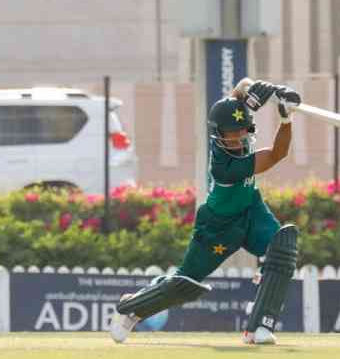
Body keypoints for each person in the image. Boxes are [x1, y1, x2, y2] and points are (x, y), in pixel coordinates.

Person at [110, 80, 302, 345]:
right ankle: (132, 308)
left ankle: (259, 328)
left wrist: (282, 113)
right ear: (218, 134)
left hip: (251, 211)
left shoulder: (240, 139)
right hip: (217, 227)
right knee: (185, 284)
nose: (236, 138)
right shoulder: (223, 166)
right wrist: (266, 108)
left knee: (282, 247)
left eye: (241, 131)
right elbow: (275, 155)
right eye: (230, 133)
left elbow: (243, 88)